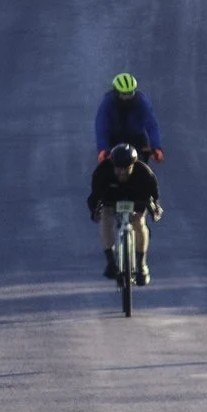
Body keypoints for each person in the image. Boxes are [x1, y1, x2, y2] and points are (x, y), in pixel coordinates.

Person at [88, 138, 161, 284]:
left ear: (133, 165)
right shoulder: (102, 172)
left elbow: (153, 196)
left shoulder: (144, 173)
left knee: (139, 223)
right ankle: (110, 262)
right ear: (112, 165)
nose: (121, 172)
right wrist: (95, 211)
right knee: (105, 218)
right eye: (118, 168)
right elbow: (94, 197)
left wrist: (154, 210)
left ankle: (141, 264)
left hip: (137, 199)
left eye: (126, 168)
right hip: (111, 199)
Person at [95, 72, 164, 163]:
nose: (127, 98)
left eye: (130, 94)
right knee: (108, 167)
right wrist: (103, 148)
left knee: (142, 167)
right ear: (116, 93)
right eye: (124, 95)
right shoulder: (107, 103)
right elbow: (101, 126)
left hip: (136, 138)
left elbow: (151, 125)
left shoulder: (142, 102)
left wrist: (156, 147)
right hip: (114, 139)